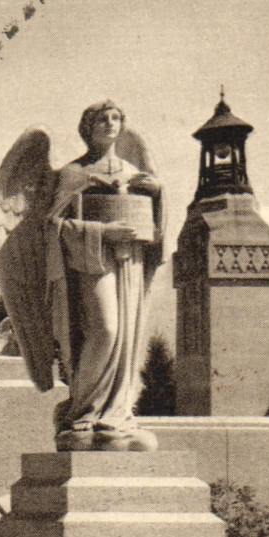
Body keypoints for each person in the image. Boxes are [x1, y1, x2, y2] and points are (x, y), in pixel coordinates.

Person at [44, 101, 164, 450]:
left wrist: (157, 194)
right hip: (91, 259)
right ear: (88, 127)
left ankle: (117, 415)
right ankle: (83, 412)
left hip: (131, 260)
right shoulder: (73, 173)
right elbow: (52, 225)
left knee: (127, 335)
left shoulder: (132, 172)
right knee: (106, 329)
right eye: (102, 119)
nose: (110, 124)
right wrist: (102, 232)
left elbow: (155, 227)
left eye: (116, 118)